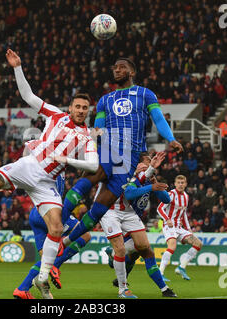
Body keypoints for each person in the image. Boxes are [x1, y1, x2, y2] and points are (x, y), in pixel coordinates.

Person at [0, 49, 99, 299]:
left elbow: (94, 166)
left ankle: (42, 277)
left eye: (85, 108)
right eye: (77, 106)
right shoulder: (56, 115)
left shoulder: (88, 137)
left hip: (46, 183)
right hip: (29, 166)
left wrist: (66, 159)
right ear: (70, 107)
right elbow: (28, 96)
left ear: (89, 110)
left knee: (56, 227)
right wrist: (17, 68)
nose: (81, 110)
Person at [57, 57, 183, 264]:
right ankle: (58, 223)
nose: (116, 70)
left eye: (121, 67)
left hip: (130, 159)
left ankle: (66, 241)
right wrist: (93, 154)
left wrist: (171, 139)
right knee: (88, 180)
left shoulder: (145, 94)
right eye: (114, 68)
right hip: (109, 149)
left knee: (99, 208)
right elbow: (98, 129)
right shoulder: (106, 99)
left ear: (131, 72)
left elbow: (159, 119)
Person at [101, 152, 177, 298]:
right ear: (139, 165)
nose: (151, 164)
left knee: (143, 251)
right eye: (148, 162)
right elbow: (129, 194)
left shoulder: (148, 179)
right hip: (117, 217)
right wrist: (150, 187)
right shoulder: (133, 177)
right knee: (127, 251)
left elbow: (166, 199)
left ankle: (163, 289)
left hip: (132, 218)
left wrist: (154, 183)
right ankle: (121, 278)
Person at [13, 174, 91, 299]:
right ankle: (56, 265)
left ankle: (22, 289)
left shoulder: (40, 163)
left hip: (36, 213)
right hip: (52, 212)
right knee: (85, 235)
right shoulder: (57, 162)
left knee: (45, 258)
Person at [157, 175, 203, 281]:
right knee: (172, 246)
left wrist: (188, 229)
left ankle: (181, 267)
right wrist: (167, 219)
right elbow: (159, 209)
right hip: (169, 226)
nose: (181, 184)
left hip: (179, 227)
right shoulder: (170, 194)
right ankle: (160, 273)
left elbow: (184, 214)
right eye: (179, 182)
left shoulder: (186, 196)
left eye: (183, 182)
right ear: (175, 183)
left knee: (198, 243)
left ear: (186, 184)